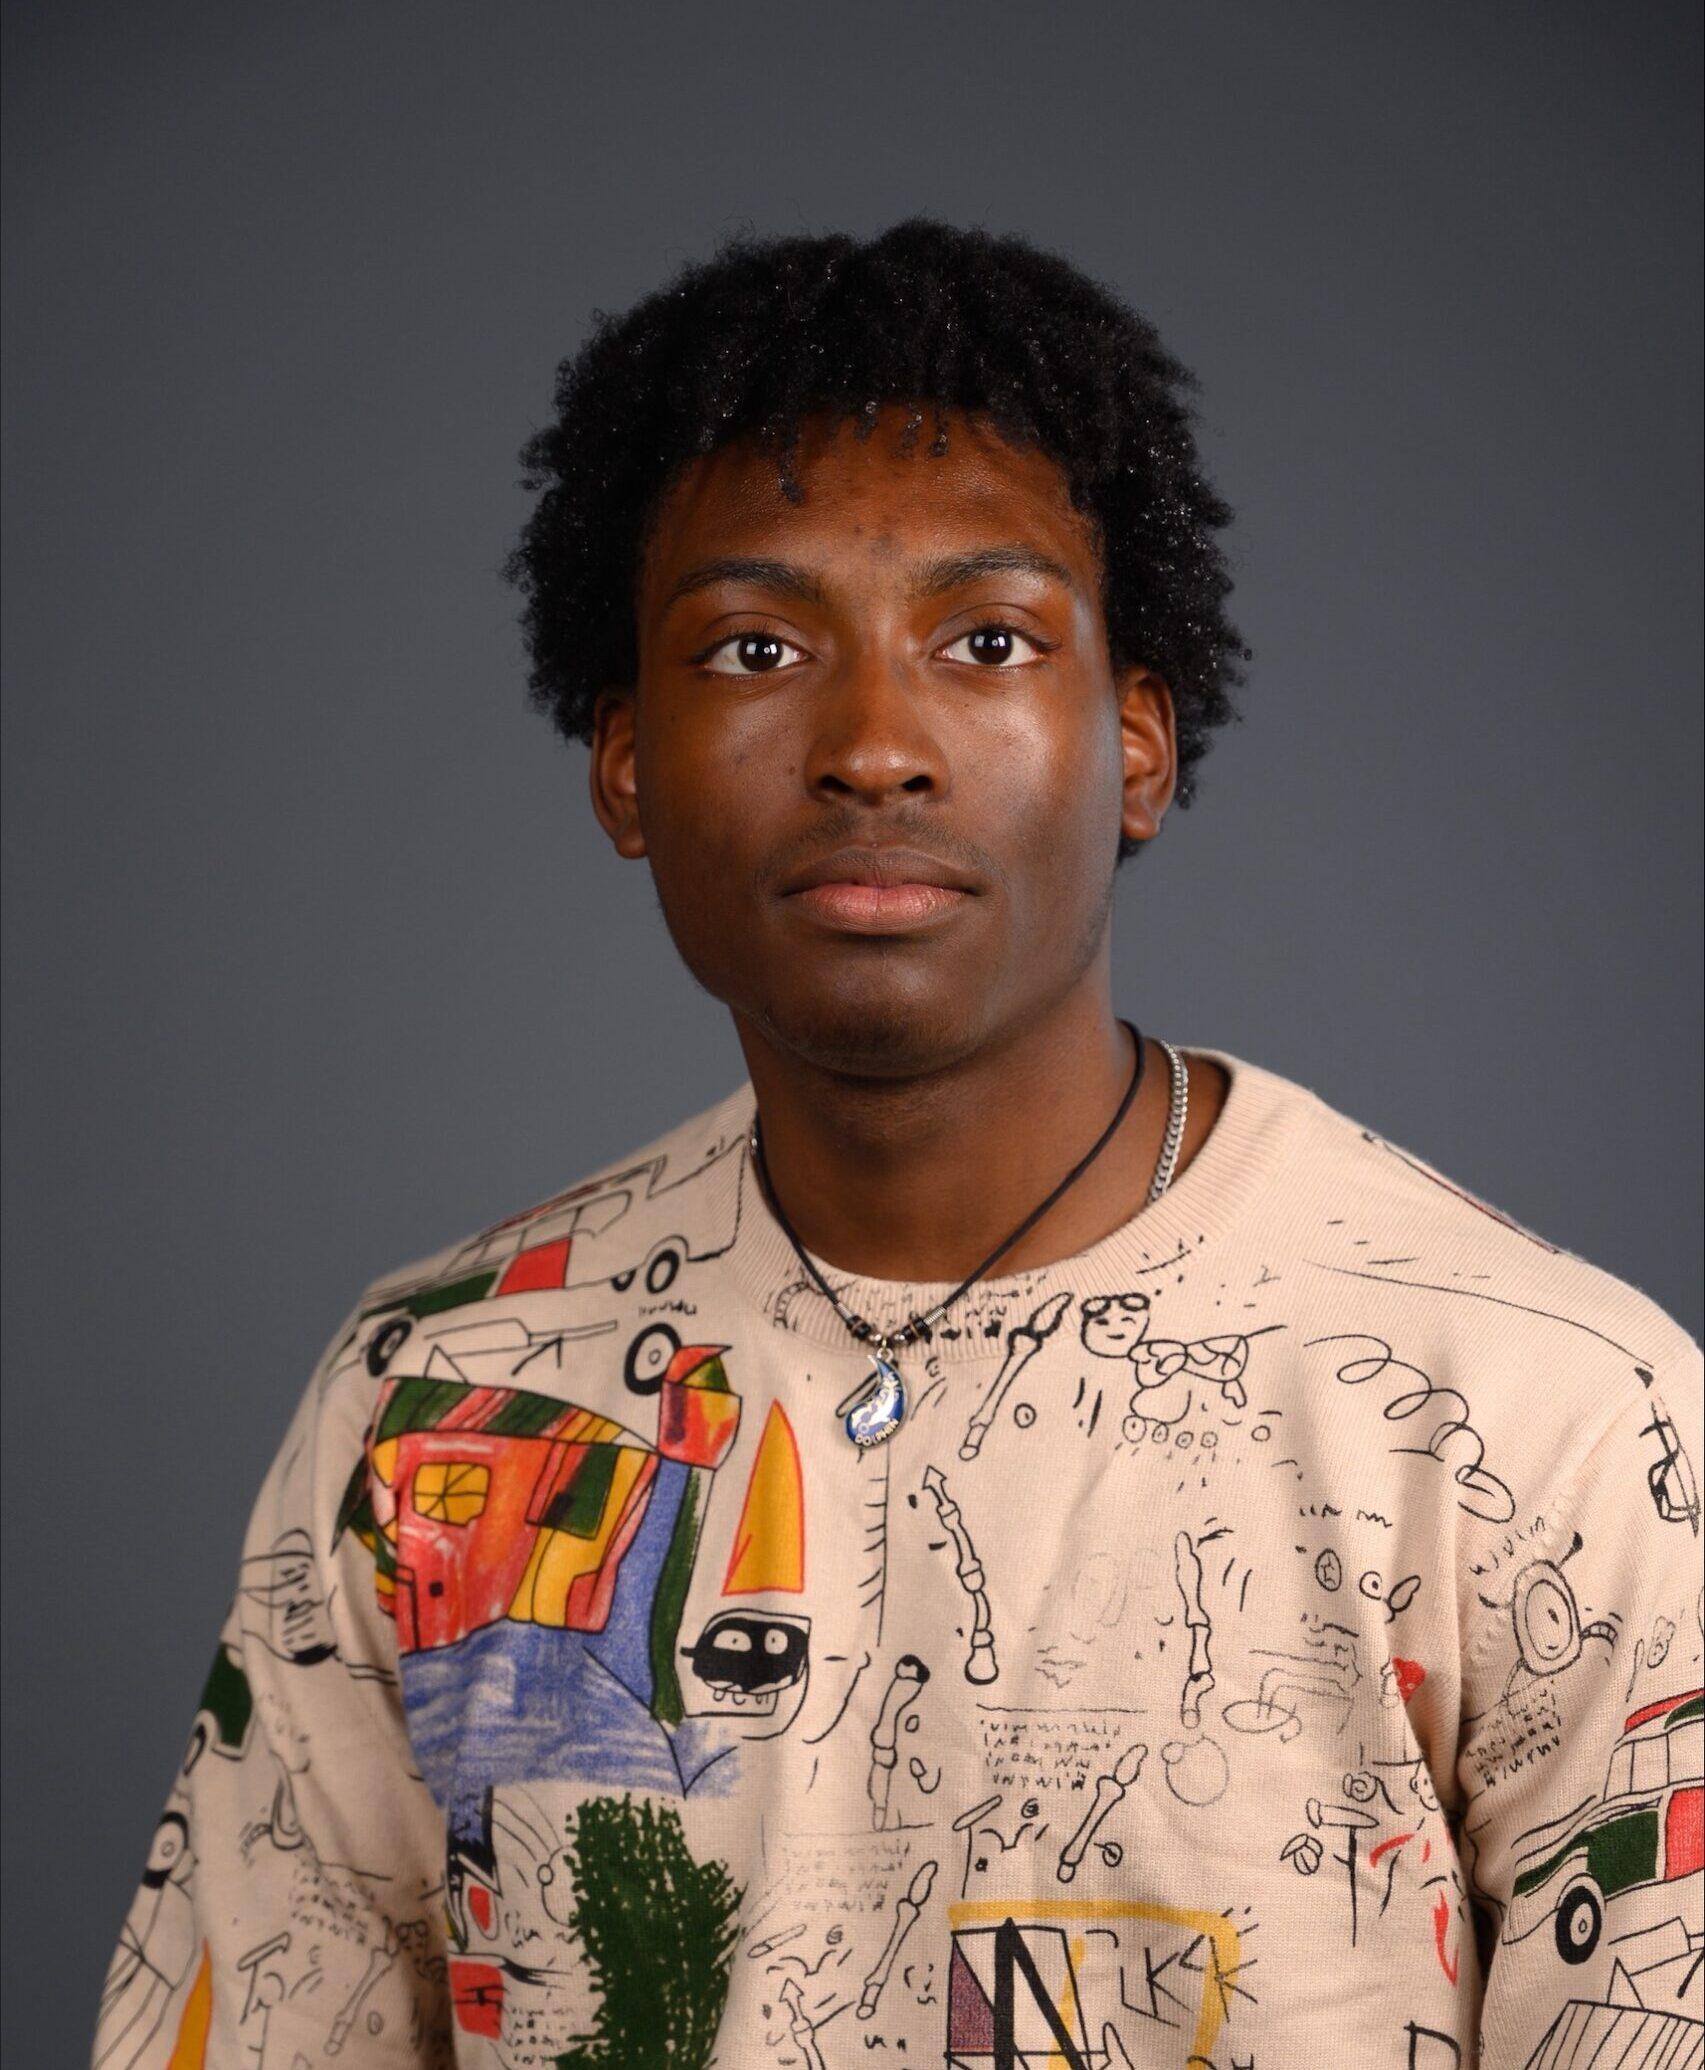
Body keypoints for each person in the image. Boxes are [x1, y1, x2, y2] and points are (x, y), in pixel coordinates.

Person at [94, 219, 1702, 2069]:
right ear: (625, 764)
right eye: (756, 647)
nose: (873, 743)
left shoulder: (1548, 1417)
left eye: (987, 640)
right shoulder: (437, 1393)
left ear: (1136, 746)